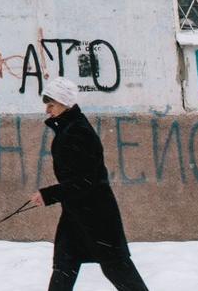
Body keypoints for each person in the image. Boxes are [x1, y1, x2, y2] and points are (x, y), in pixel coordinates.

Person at [29, 77, 150, 291]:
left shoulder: (78, 132)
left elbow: (87, 180)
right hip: (76, 214)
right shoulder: (68, 128)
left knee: (117, 269)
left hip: (97, 216)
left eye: (51, 105)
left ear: (65, 103)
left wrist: (49, 195)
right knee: (63, 269)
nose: (47, 110)